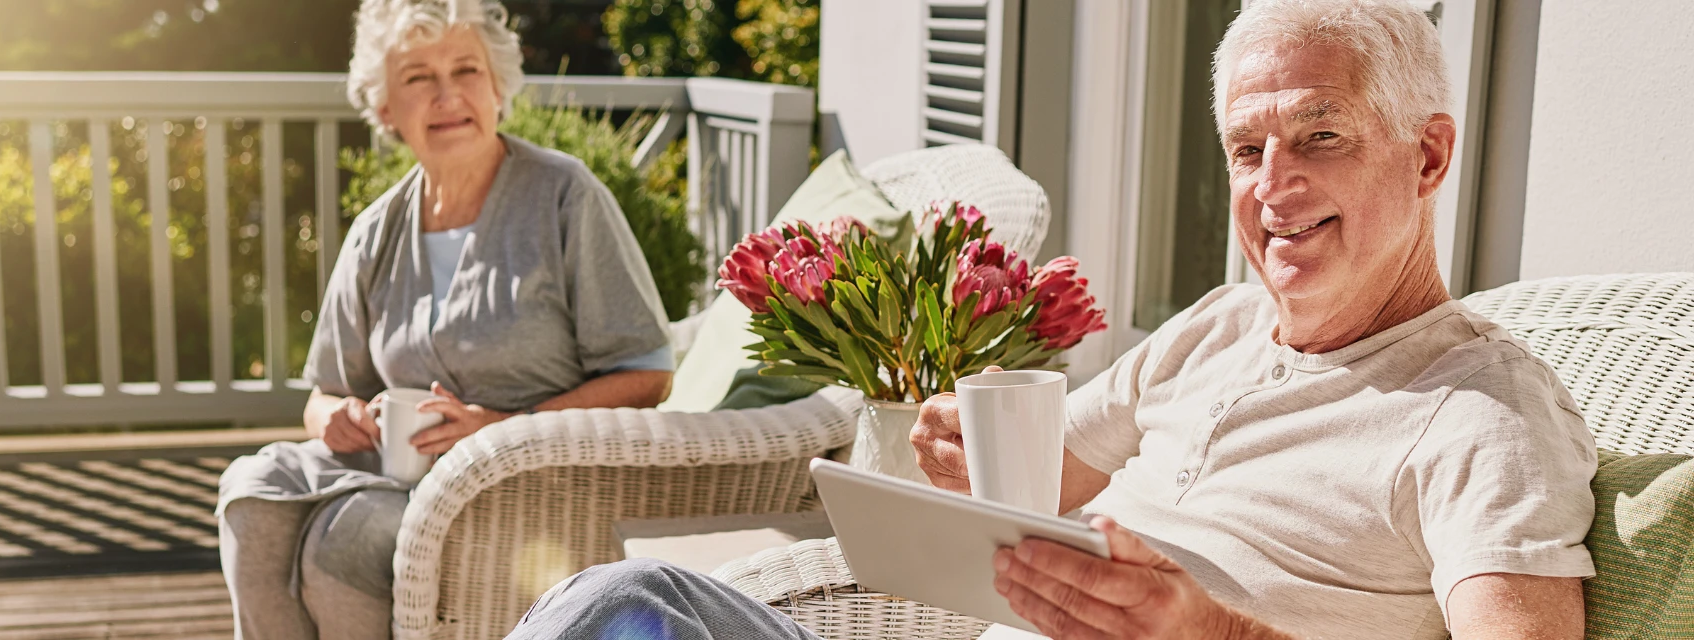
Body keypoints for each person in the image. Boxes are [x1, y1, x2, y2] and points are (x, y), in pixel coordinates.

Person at [499, 1, 1598, 638]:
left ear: (1430, 154)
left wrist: (1214, 632)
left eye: (1322, 138)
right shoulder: (1217, 326)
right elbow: (1033, 489)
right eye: (1247, 150)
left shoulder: (1481, 413)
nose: (1272, 187)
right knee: (623, 602)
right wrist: (952, 461)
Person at [213, 0, 675, 637]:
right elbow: (325, 392)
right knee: (253, 492)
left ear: (497, 89)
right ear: (384, 109)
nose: (447, 95)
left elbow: (645, 373)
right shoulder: (378, 229)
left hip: (523, 480)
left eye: (466, 71)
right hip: (392, 472)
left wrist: (501, 427)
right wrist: (339, 419)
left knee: (346, 538)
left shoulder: (566, 196)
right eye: (417, 78)